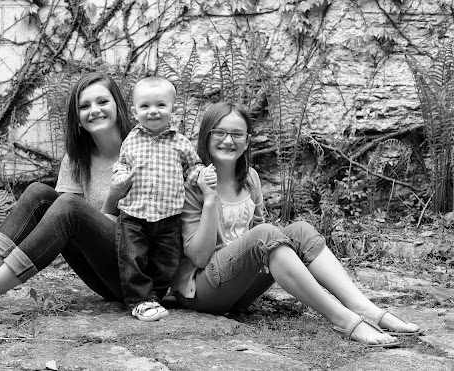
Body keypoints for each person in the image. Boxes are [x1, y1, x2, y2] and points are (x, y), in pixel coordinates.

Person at [171, 102, 423, 347]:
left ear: (246, 141)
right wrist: (209, 199)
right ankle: (344, 320)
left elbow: (255, 238)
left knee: (300, 230)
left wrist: (277, 254)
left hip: (239, 290)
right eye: (220, 133)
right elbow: (199, 258)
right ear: (206, 137)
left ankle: (364, 308)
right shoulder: (191, 184)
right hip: (202, 290)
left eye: (237, 134)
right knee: (266, 234)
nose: (228, 140)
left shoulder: (250, 178)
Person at [0, 72, 134, 322]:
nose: (94, 110)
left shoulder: (142, 152)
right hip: (100, 276)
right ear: (78, 119)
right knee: (39, 193)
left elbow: (138, 235)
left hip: (136, 278)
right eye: (84, 106)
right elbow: (72, 224)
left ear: (118, 105)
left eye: (102, 101)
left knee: (69, 205)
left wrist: (111, 199)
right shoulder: (78, 158)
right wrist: (107, 205)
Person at [112, 76, 213, 321]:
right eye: (145, 106)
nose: (153, 111)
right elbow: (121, 164)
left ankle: (154, 297)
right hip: (134, 215)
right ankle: (138, 300)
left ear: (173, 110)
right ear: (135, 112)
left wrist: (202, 175)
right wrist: (120, 176)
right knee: (132, 257)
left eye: (160, 105)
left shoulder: (180, 142)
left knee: (166, 261)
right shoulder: (131, 140)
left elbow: (192, 167)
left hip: (169, 217)